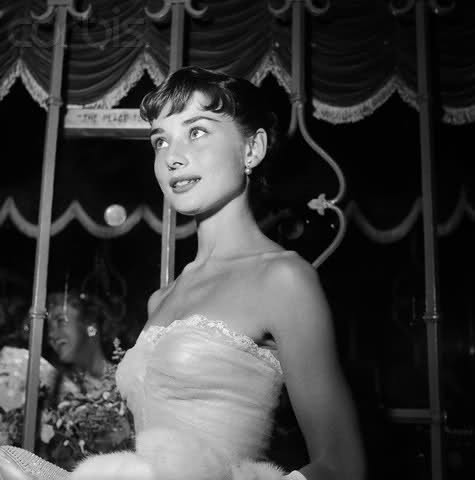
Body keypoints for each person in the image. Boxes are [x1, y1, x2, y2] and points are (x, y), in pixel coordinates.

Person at [0, 66, 364, 480]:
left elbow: (342, 467)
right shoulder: (163, 297)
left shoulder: (283, 278)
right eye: (160, 140)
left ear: (252, 149)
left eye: (197, 131)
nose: (172, 157)